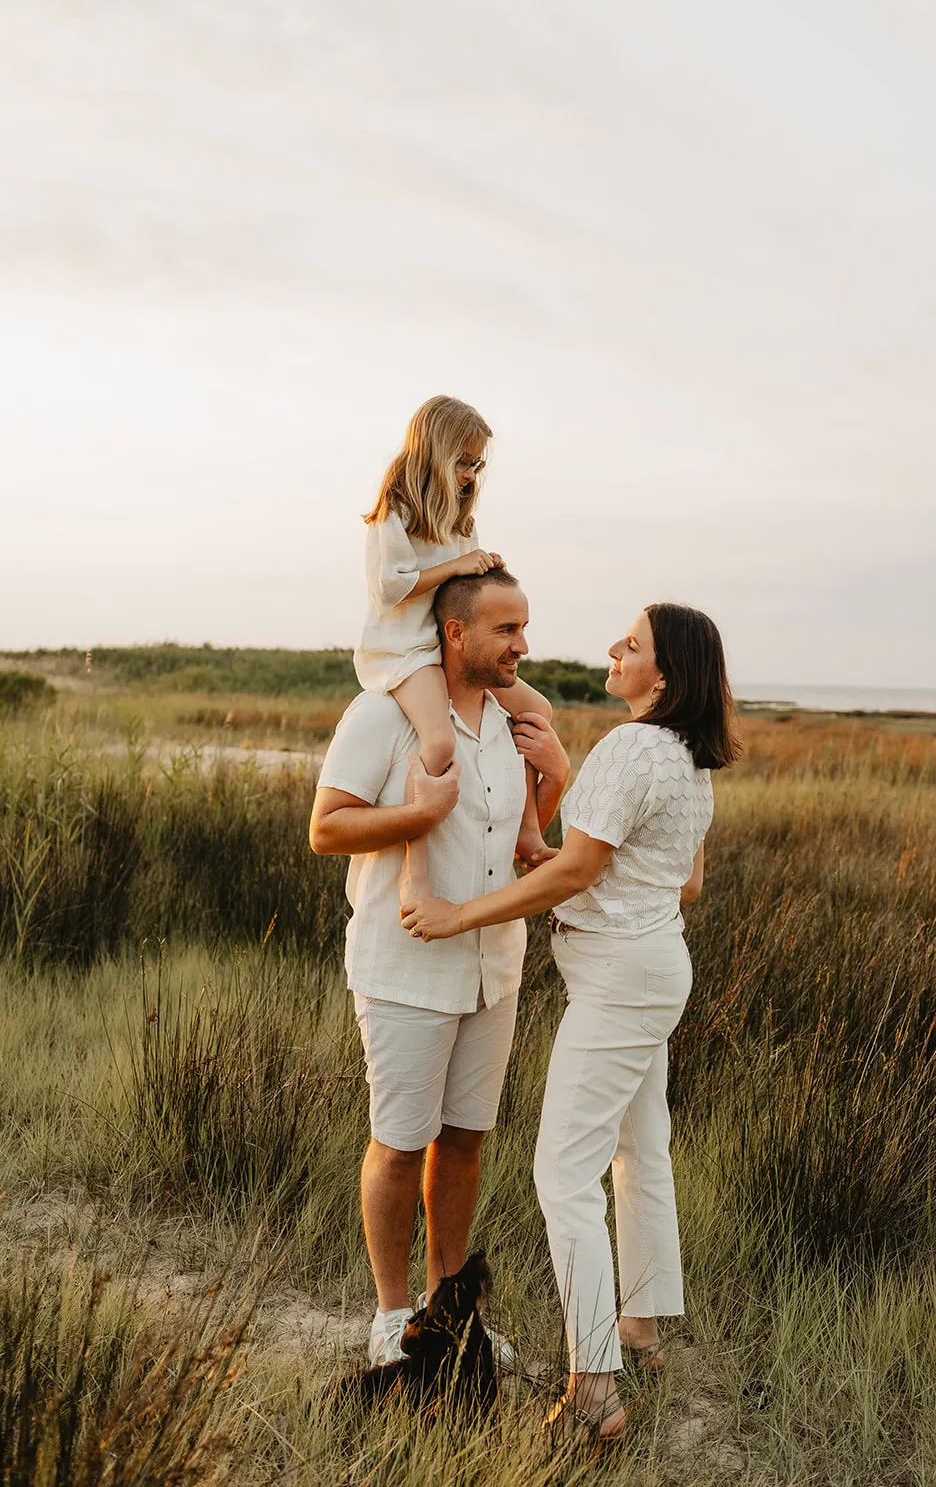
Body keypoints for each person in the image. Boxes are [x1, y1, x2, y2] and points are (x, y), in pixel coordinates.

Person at [402, 603, 742, 1441]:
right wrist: (559, 857)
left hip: (621, 980)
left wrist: (463, 915)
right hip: (655, 965)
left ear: (662, 675)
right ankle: (640, 1327)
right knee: (639, 1148)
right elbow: (676, 881)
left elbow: (585, 869)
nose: (613, 649)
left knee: (562, 1176)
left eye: (631, 644)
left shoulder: (631, 747)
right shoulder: (687, 759)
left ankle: (594, 1388)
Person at [310, 566, 570, 1367]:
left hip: (494, 968)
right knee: (398, 1143)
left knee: (463, 1142)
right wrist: (416, 813)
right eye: (506, 630)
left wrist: (554, 777)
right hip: (405, 970)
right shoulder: (383, 716)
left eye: (524, 628)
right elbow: (327, 828)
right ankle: (392, 1320)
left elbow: (513, 842)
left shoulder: (512, 721)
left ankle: (445, 1312)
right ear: (455, 634)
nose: (522, 645)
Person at [358, 395, 552, 903]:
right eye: (463, 462)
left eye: (477, 464)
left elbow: (462, 594)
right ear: (435, 453)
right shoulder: (394, 511)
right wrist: (456, 569)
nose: (470, 475)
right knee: (440, 745)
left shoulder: (460, 522)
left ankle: (528, 830)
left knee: (538, 709)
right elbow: (388, 588)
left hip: (451, 644)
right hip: (407, 649)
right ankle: (414, 871)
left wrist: (485, 570)